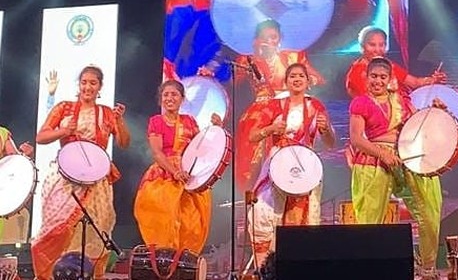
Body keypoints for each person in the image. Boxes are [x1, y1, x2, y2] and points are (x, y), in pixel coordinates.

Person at [31, 65, 130, 280]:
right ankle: (55, 274)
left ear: (100, 87)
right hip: (66, 180)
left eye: (93, 83)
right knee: (58, 228)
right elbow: (41, 137)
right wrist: (64, 131)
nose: (88, 86)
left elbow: (124, 143)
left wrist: (119, 121)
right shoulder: (64, 108)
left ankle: (90, 274)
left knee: (96, 229)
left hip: (97, 182)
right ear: (79, 84)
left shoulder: (106, 113)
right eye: (84, 82)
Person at [349, 57, 443, 280]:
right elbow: (356, 138)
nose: (378, 81)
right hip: (374, 159)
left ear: (390, 79)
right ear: (366, 77)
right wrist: (383, 154)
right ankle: (371, 270)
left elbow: (416, 126)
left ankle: (428, 267)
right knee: (370, 220)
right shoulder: (361, 103)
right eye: (374, 76)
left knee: (429, 211)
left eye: (383, 77)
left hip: (406, 158)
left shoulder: (402, 100)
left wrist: (434, 109)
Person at [245, 63, 336, 269]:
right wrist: (271, 128)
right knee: (262, 213)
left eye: (301, 76)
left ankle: (297, 269)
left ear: (307, 81)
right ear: (286, 82)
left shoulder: (316, 106)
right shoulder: (275, 105)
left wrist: (326, 129)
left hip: (305, 168)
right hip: (276, 164)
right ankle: (264, 270)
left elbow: (330, 143)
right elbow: (252, 136)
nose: (297, 79)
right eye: (292, 76)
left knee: (300, 221)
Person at [235, 19, 326, 191]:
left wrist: (303, 80)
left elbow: (318, 79)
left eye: (273, 37)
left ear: (280, 38)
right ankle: (254, 193)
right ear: (256, 41)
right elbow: (233, 82)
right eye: (264, 38)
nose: (270, 41)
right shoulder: (248, 60)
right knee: (253, 154)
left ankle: (293, 184)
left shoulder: (293, 57)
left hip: (288, 109)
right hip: (259, 112)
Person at [133, 80, 223, 252]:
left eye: (174, 94)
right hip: (164, 176)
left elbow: (200, 149)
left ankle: (184, 262)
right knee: (165, 218)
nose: (169, 98)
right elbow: (157, 153)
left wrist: (217, 128)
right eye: (165, 95)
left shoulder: (190, 121)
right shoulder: (156, 121)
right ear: (161, 99)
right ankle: (164, 259)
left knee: (191, 221)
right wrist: (175, 172)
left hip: (189, 176)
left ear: (182, 99)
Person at [345, 26, 445, 98]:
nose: (377, 49)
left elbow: (414, 82)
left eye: (381, 45)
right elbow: (372, 101)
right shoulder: (357, 71)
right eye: (372, 45)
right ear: (362, 47)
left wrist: (433, 80)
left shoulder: (388, 65)